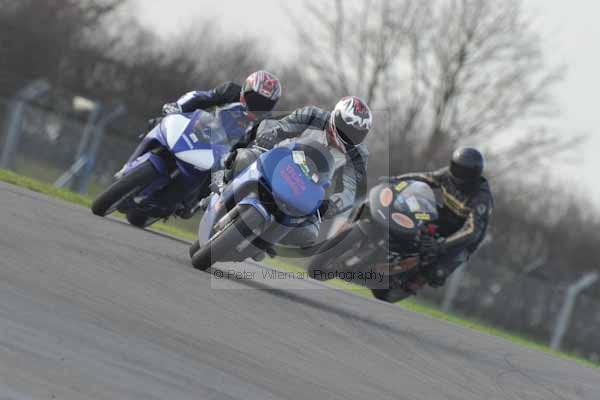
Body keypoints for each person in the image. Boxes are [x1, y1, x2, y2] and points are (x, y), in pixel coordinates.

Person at [252, 96, 373, 246]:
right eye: (347, 128)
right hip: (277, 163)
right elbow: (282, 125)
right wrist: (270, 134)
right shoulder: (312, 115)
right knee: (246, 157)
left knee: (308, 234)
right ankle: (225, 182)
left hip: (307, 190)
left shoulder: (358, 155)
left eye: (356, 134)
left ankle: (262, 245)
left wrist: (334, 204)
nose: (350, 135)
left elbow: (350, 189)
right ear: (336, 117)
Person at [389, 147, 493, 289]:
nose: (457, 174)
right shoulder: (447, 174)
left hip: (464, 237)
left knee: (437, 273)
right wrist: (396, 180)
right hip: (446, 217)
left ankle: (419, 280)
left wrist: (441, 245)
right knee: (416, 210)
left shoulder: (482, 198)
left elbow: (471, 230)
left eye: (463, 172)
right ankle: (396, 246)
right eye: (455, 167)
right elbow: (425, 178)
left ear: (473, 175)